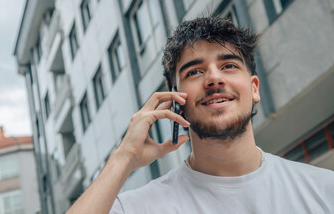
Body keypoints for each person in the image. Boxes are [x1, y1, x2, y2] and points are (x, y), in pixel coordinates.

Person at [67, 16, 334, 214]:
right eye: (194, 72)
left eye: (228, 65)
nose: (214, 79)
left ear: (254, 88)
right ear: (174, 99)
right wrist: (123, 158)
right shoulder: (139, 207)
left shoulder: (324, 190)